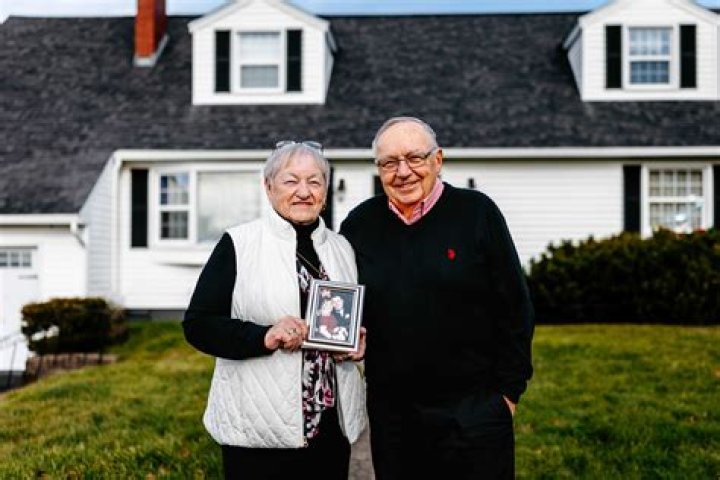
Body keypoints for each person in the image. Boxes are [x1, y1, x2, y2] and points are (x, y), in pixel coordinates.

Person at [340, 117, 534, 479]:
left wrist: (507, 395)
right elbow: (348, 303)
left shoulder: (477, 213)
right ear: (379, 169)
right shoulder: (359, 225)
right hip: (394, 418)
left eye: (414, 158)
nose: (403, 172)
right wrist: (351, 334)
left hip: (473, 413)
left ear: (438, 160)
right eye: (389, 163)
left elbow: (515, 307)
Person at [183, 141, 367, 480]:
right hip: (259, 428)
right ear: (268, 187)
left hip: (329, 426)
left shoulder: (342, 248)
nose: (304, 192)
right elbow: (199, 325)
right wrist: (263, 336)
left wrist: (355, 345)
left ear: (325, 191)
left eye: (314, 181)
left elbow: (352, 321)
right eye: (291, 181)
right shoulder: (240, 244)